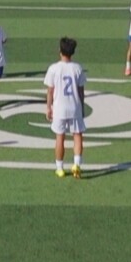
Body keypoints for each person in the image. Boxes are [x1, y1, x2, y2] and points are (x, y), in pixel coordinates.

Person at [44, 36, 87, 178]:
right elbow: (81, 91)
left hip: (59, 108)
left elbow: (50, 91)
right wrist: (82, 107)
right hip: (74, 106)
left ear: (60, 50)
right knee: (77, 135)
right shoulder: (77, 68)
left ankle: (59, 167)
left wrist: (48, 107)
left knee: (60, 137)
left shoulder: (53, 68)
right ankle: (77, 164)